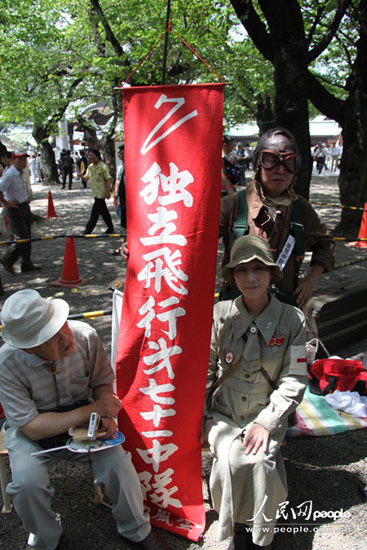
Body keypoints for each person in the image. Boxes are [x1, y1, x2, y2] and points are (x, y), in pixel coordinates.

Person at [0, 289, 172, 550]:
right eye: (50, 338)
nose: (65, 337)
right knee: (26, 484)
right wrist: (92, 409)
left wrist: (105, 414)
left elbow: (102, 382)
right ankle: (46, 540)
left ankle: (137, 530)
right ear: (29, 347)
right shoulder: (6, 363)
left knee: (119, 464)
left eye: (62, 325)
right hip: (31, 430)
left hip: (85, 422)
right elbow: (32, 427)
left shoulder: (85, 336)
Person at [203, 235, 307, 550]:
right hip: (224, 413)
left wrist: (268, 420)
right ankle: (234, 525)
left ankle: (261, 534)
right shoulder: (218, 315)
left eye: (259, 269)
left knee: (261, 461)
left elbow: (295, 377)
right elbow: (206, 371)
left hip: (267, 411)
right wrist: (199, 418)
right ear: (232, 276)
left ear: (272, 274)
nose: (250, 278)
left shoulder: (293, 320)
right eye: (242, 270)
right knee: (230, 460)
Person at [219, 127, 335, 308]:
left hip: (283, 309)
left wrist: (311, 280)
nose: (280, 170)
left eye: (289, 162)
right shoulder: (233, 205)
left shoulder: (301, 209)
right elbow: (197, 242)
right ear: (258, 162)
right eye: (270, 160)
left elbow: (325, 243)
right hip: (237, 308)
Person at [0, 150, 41, 273]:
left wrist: (25, 198)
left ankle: (26, 263)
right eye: (20, 159)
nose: (23, 162)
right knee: (21, 238)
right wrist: (6, 203)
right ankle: (8, 259)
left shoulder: (20, 173)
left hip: (24, 206)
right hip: (14, 209)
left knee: (27, 236)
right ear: (13, 160)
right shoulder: (10, 174)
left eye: (25, 159)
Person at [79, 149, 114, 234]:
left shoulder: (103, 166)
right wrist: (81, 176)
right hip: (95, 193)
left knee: (94, 213)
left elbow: (108, 179)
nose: (91, 157)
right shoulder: (90, 167)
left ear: (97, 156)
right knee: (103, 212)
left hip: (101, 193)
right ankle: (110, 227)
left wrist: (108, 192)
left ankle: (88, 229)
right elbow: (86, 178)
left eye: (92, 155)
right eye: (89, 155)